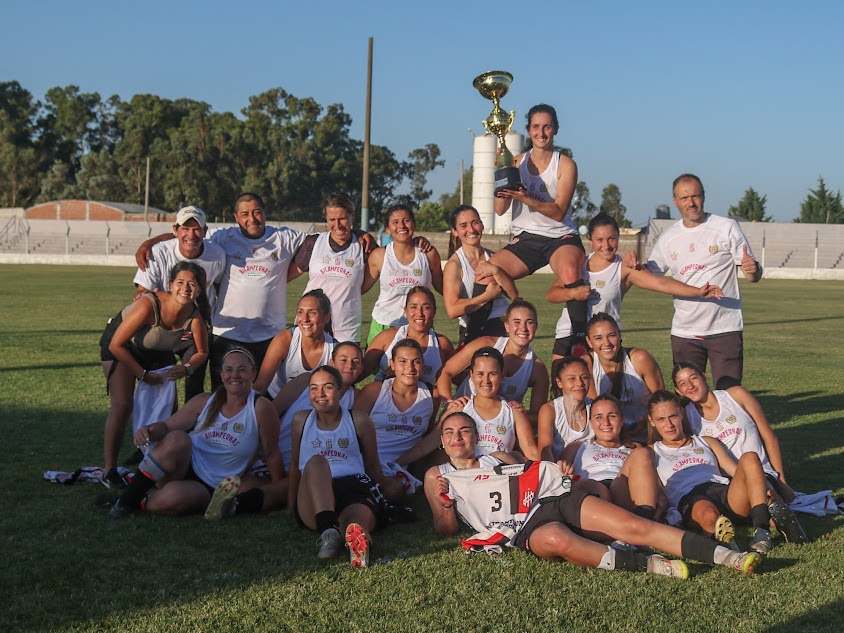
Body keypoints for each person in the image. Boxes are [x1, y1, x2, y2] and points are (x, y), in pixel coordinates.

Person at [425, 411, 762, 576]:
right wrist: (445, 504)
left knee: (633, 526)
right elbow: (446, 529)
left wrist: (559, 472)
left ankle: (726, 556)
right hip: (527, 528)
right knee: (557, 540)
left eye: (465, 431)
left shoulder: (498, 456)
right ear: (442, 441)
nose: (458, 438)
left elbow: (533, 472)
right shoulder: (438, 475)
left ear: (476, 437)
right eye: (450, 433)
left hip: (553, 500)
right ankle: (647, 564)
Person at [135, 193, 307, 388]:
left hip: (270, 333)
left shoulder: (284, 237)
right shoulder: (222, 237)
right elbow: (187, 236)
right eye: (245, 214)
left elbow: (316, 243)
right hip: (226, 332)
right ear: (236, 217)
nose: (251, 219)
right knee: (223, 392)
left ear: (265, 212)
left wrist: (289, 273)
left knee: (265, 392)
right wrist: (149, 243)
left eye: (257, 212)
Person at [108, 348, 284, 519]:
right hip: (183, 466)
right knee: (177, 438)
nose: (235, 375)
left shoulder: (260, 407)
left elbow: (271, 453)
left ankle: (140, 500)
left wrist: (278, 490)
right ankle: (126, 501)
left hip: (215, 485)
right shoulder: (206, 400)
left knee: (173, 498)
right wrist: (149, 430)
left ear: (253, 373)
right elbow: (167, 427)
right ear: (221, 375)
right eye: (229, 370)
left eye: (242, 370)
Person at [629, 174, 762, 389]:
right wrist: (632, 263)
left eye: (695, 196)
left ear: (703, 196)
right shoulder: (668, 238)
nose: (691, 203)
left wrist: (754, 270)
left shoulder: (726, 227)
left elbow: (752, 274)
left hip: (724, 328)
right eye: (684, 198)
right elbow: (649, 274)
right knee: (687, 397)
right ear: (675, 201)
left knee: (729, 395)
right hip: (685, 331)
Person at [647, 390, 807, 554]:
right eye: (661, 419)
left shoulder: (706, 441)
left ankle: (762, 531)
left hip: (722, 490)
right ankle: (726, 545)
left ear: (682, 413)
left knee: (750, 457)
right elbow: (656, 491)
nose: (669, 424)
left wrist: (767, 489)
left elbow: (736, 471)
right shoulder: (651, 452)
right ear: (651, 421)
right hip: (690, 497)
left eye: (673, 416)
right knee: (709, 514)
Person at [548, 212, 724, 360]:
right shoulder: (579, 264)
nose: (606, 245)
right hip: (569, 335)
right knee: (560, 388)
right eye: (599, 240)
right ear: (590, 239)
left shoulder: (624, 268)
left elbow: (661, 283)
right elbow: (552, 295)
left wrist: (697, 291)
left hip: (605, 341)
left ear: (618, 237)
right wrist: (573, 293)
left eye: (612, 239)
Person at [99, 261, 210, 488]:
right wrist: (142, 374)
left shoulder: (195, 318)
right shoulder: (149, 304)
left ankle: (158, 462)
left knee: (169, 410)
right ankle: (109, 470)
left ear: (199, 289)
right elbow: (116, 345)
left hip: (157, 350)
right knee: (122, 404)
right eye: (180, 282)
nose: (185, 288)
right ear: (170, 284)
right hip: (124, 347)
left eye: (192, 284)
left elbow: (202, 352)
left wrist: (187, 368)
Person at [491, 104, 588, 352]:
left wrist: (526, 198)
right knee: (488, 272)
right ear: (528, 130)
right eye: (536, 127)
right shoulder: (516, 162)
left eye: (547, 127)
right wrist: (501, 173)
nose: (541, 133)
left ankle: (579, 340)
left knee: (570, 271)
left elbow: (558, 212)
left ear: (555, 129)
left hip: (560, 236)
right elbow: (500, 209)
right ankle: (481, 331)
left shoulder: (565, 164)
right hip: (527, 238)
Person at [288, 366, 388, 567]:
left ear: (341, 391)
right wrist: (290, 506)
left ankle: (358, 542)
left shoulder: (359, 420)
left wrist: (384, 493)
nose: (320, 394)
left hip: (352, 487)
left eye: (328, 387)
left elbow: (372, 465)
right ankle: (329, 530)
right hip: (315, 493)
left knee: (355, 521)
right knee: (317, 462)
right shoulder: (301, 420)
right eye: (314, 388)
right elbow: (294, 465)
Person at [132, 205, 226, 401]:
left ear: (205, 231)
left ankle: (193, 419)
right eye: (185, 228)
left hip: (197, 329)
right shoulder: (158, 252)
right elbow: (141, 293)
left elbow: (219, 288)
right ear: (175, 230)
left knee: (194, 382)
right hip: (162, 329)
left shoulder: (217, 254)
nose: (191, 235)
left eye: (196, 229)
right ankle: (165, 418)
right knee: (160, 384)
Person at [673, 361, 795, 503]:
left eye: (693, 378)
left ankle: (771, 503)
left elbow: (769, 437)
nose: (690, 386)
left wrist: (781, 480)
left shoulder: (736, 396)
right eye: (682, 383)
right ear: (678, 391)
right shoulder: (687, 417)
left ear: (704, 376)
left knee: (763, 490)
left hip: (762, 473)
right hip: (728, 482)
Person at [437, 299, 549, 427]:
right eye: (517, 322)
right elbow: (445, 372)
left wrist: (519, 415)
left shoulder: (537, 369)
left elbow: (538, 417)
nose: (523, 328)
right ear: (506, 325)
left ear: (536, 326)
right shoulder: (485, 344)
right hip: (464, 421)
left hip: (500, 429)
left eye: (529, 322)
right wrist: (448, 403)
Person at [559, 394, 666, 521]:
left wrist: (660, 497)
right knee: (592, 486)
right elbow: (559, 475)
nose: (606, 423)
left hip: (625, 492)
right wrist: (565, 470)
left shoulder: (634, 449)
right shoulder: (578, 446)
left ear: (622, 420)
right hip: (592, 491)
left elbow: (653, 480)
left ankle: (644, 519)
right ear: (591, 422)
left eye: (612, 416)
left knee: (642, 453)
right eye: (599, 417)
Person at [288, 192, 378, 343]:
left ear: (352, 216)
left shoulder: (364, 246)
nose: (337, 225)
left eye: (342, 218)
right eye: (332, 219)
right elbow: (285, 276)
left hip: (346, 328)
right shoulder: (313, 243)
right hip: (310, 324)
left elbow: (390, 259)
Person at [356, 339, 440, 500]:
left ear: (422, 364)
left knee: (394, 490)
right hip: (367, 462)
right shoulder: (375, 391)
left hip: (401, 467)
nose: (410, 368)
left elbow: (427, 434)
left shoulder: (432, 394)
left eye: (416, 362)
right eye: (403, 361)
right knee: (390, 490)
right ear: (392, 364)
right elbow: (352, 432)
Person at [272, 341, 364, 473]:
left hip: (315, 467)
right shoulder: (305, 381)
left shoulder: (358, 398)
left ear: (361, 369)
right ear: (332, 363)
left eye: (356, 361)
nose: (349, 366)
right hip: (276, 457)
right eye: (343, 360)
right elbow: (271, 414)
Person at [441, 347, 538, 460]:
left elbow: (532, 454)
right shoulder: (460, 409)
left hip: (502, 470)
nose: (486, 380)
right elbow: (434, 444)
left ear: (502, 375)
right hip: (466, 470)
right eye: (480, 374)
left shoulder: (513, 412)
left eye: (492, 373)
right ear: (471, 375)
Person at [366, 204, 444, 345]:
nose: (401, 226)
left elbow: (444, 288)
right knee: (374, 360)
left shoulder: (429, 254)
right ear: (388, 229)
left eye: (406, 221)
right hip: (384, 323)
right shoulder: (379, 256)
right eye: (395, 222)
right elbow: (358, 288)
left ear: (414, 224)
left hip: (420, 325)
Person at [583, 312, 664, 443]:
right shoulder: (586, 365)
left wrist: (643, 425)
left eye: (611, 335)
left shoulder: (639, 359)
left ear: (619, 335)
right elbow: (594, 410)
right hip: (610, 438)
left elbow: (662, 401)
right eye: (598, 338)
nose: (606, 343)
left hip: (647, 435)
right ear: (589, 341)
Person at [442, 205, 517, 344]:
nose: (471, 229)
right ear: (455, 232)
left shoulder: (495, 257)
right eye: (463, 225)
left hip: (504, 327)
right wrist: (487, 296)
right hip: (474, 330)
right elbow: (452, 310)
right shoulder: (455, 265)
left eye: (475, 222)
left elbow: (514, 296)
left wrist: (496, 271)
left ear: (482, 225)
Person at [362, 286, 454, 388]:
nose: (419, 313)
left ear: (434, 311)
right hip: (383, 396)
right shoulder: (387, 337)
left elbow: (458, 377)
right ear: (405, 310)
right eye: (413, 307)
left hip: (424, 398)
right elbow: (362, 371)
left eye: (426, 307)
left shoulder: (442, 344)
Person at [252, 290, 335, 398]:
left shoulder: (335, 350)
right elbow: (260, 387)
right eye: (300, 312)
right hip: (275, 402)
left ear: (326, 317)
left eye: (312, 313)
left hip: (315, 405)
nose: (305, 319)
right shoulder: (284, 340)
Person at [537, 356, 594, 461]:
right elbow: (545, 449)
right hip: (560, 467)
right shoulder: (550, 410)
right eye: (572, 379)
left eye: (584, 377)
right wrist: (555, 469)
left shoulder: (596, 408)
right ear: (559, 382)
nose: (579, 383)